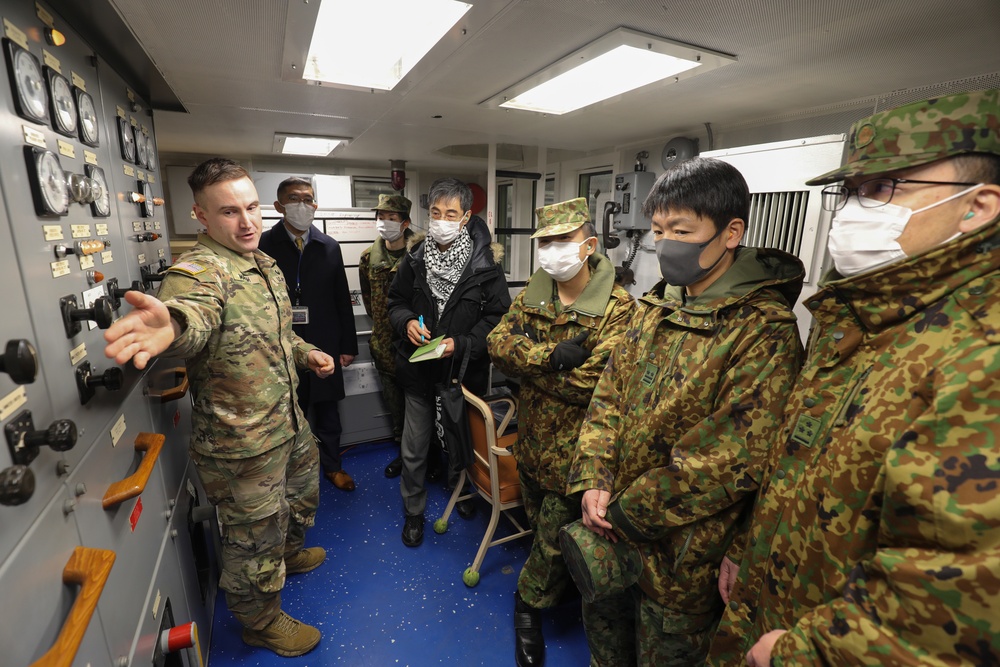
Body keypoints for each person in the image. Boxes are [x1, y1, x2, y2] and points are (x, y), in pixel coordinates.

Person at [708, 90, 1000, 667]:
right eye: (852, 190)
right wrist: (746, 548)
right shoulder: (855, 315)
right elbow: (796, 458)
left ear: (979, 206)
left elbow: (957, 603)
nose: (854, 209)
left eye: (884, 188)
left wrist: (800, 653)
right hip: (767, 604)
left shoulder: (978, 352)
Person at [565, 157, 805, 666]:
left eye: (681, 229)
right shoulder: (656, 305)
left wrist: (624, 515)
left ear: (730, 232)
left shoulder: (761, 329)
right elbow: (608, 396)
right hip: (609, 527)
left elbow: (730, 459)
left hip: (683, 559)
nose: (666, 242)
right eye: (658, 230)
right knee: (606, 650)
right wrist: (593, 478)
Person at [103, 158, 335, 657]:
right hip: (243, 444)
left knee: (298, 502)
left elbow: (276, 331)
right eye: (230, 211)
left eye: (251, 207)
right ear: (201, 217)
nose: (247, 222)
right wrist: (173, 328)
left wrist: (304, 351)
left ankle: (289, 556)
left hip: (287, 423)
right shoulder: (198, 271)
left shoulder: (261, 263)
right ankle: (261, 621)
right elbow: (194, 317)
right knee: (254, 539)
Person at [487, 197, 634, 667]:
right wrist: (547, 358)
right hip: (531, 444)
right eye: (544, 242)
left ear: (589, 245)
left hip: (580, 454)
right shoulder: (537, 290)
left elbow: (594, 384)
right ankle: (552, 585)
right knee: (540, 529)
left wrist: (526, 364)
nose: (550, 251)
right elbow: (497, 344)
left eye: (561, 240)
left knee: (551, 539)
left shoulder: (618, 308)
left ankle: (526, 607)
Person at [387, 177, 511, 547]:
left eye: (450, 214)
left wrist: (461, 344)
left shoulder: (486, 266)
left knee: (461, 441)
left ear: (465, 217)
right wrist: (407, 321)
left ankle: (464, 493)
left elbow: (497, 320)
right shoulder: (414, 258)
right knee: (414, 447)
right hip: (419, 373)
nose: (440, 220)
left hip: (461, 375)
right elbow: (396, 302)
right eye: (435, 213)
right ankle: (413, 511)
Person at [258, 176, 358, 491]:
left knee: (328, 412)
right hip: (281, 345)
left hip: (325, 341)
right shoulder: (262, 245)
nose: (303, 205)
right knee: (286, 412)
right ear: (279, 206)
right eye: (294, 198)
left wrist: (347, 345)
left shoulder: (329, 247)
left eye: (308, 199)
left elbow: (342, 298)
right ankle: (292, 475)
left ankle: (332, 466)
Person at [359, 194, 420, 479]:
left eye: (391, 218)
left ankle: (425, 455)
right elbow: (370, 303)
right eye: (380, 217)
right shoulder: (368, 258)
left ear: (405, 223)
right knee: (395, 406)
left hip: (416, 343)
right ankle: (402, 454)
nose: (384, 223)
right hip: (384, 345)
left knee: (420, 405)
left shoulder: (419, 254)